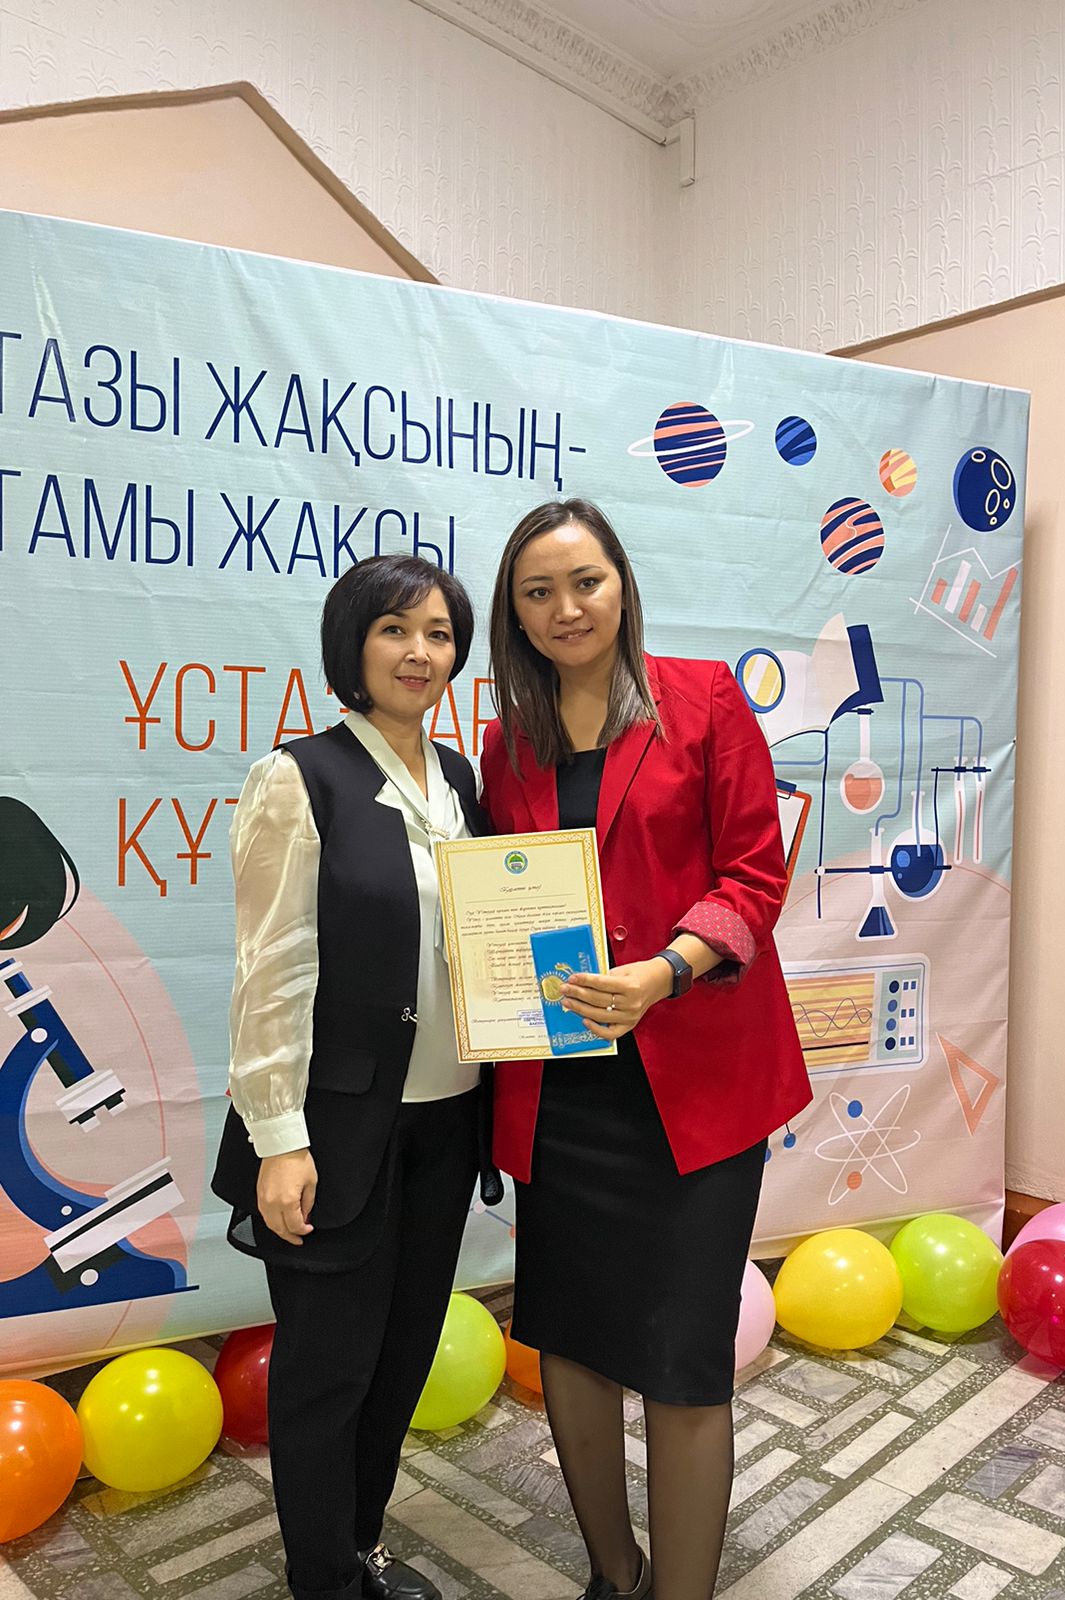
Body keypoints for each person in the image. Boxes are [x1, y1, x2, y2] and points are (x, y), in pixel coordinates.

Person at [481, 499, 812, 1600]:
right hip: (561, 1091)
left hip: (693, 1089)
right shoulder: (508, 741)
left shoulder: (703, 699)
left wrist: (663, 970)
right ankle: (613, 1574)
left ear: (622, 583)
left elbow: (755, 877)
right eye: (538, 592)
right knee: (569, 1338)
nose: (566, 608)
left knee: (682, 1358)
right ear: (515, 615)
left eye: (585, 581)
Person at [212, 554, 500, 1600]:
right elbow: (270, 972)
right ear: (353, 645)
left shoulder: (461, 782)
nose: (419, 652)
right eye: (395, 630)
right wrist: (280, 1138)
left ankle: (361, 1544)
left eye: (438, 633)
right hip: (332, 1131)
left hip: (447, 1123)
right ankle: (323, 1580)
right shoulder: (301, 777)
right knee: (328, 1369)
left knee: (402, 1353)